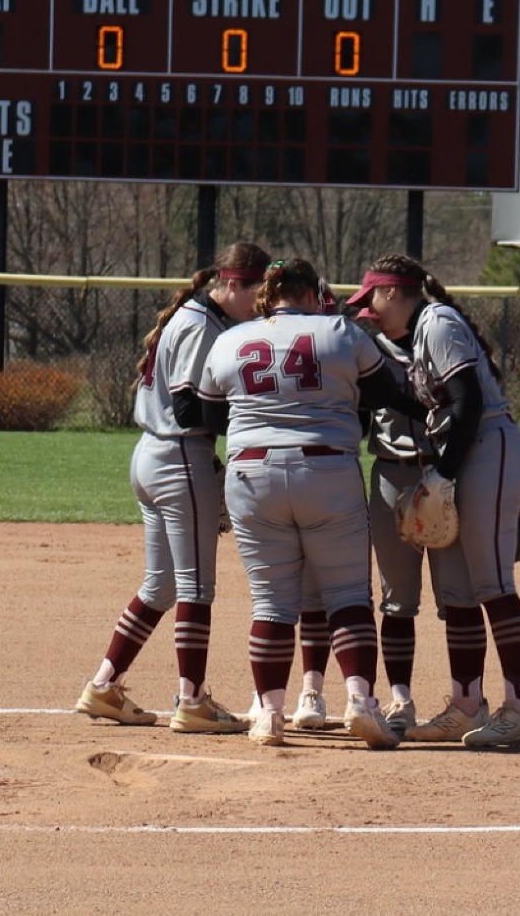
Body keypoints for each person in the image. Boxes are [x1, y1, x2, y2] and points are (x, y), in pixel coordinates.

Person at [196, 258, 419, 749]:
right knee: (348, 597)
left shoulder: (231, 338)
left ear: (268, 293)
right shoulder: (339, 329)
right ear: (313, 293)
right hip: (326, 467)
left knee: (272, 603)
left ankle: (269, 714)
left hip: (252, 472)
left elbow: (209, 415)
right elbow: (385, 392)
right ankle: (360, 701)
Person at [343, 253, 520, 747]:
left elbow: (469, 402)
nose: (369, 310)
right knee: (474, 587)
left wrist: (442, 474)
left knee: (494, 586)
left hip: (487, 447)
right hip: (478, 453)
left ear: (391, 292)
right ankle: (466, 706)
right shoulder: (421, 332)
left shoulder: (436, 321)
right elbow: (436, 405)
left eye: (372, 298)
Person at [74, 241, 272, 734]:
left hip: (152, 455)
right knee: (196, 587)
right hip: (180, 456)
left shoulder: (193, 316)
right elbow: (188, 409)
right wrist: (249, 415)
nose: (261, 304)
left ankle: (103, 685)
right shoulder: (202, 325)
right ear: (232, 283)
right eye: (257, 292)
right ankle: (193, 700)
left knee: (161, 585)